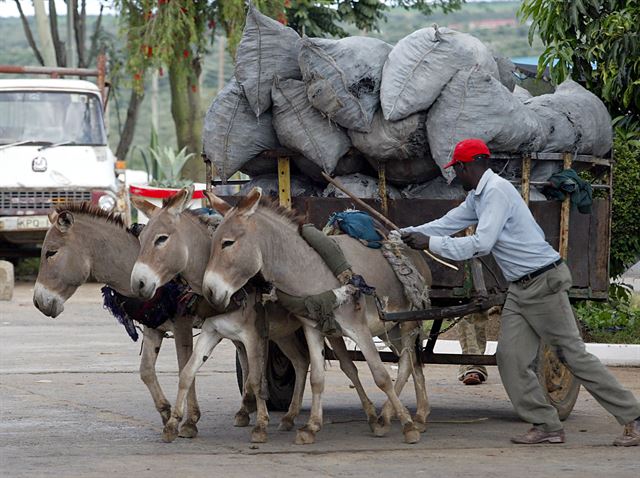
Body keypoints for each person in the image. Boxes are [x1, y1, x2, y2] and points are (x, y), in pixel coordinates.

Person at [399, 138, 640, 446]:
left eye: (456, 170)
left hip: (544, 283)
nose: (454, 177)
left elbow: (481, 244)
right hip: (521, 288)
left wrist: (429, 243)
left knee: (573, 356)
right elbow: (448, 223)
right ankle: (546, 424)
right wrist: (403, 235)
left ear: (466, 166)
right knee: (510, 357)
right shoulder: (478, 196)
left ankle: (634, 416)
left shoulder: (497, 192)